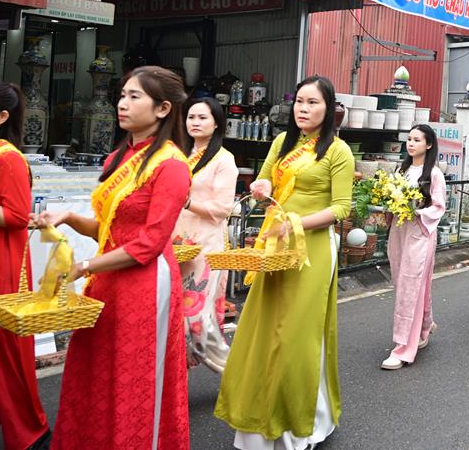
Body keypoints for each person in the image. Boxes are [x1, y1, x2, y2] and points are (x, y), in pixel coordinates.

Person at [37, 66, 192, 450]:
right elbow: (107, 230)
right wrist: (68, 217)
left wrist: (85, 266)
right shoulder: (118, 159)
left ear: (162, 109)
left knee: (135, 378)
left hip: (145, 287)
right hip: (106, 278)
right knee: (95, 372)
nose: (123, 103)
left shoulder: (172, 166)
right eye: (122, 95)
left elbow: (149, 244)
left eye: (134, 96)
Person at [215, 76, 353, 448]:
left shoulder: (338, 151)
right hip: (274, 246)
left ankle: (301, 425)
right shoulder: (282, 143)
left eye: (313, 103)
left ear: (329, 108)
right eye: (299, 102)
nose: (303, 109)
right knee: (263, 333)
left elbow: (342, 208)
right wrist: (260, 190)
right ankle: (258, 422)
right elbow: (263, 188)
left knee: (297, 337)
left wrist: (295, 223)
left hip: (313, 251)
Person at [0, 81, 50, 450]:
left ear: (2, 117)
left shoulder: (8, 158)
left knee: (0, 345)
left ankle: (30, 430)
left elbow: (18, 217)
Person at [174, 97, 237, 371]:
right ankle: (177, 381)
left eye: (202, 118)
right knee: (175, 314)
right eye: (191, 117)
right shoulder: (180, 155)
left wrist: (186, 202)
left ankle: (233, 373)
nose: (195, 122)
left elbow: (222, 208)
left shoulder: (224, 160)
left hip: (205, 244)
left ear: (217, 123)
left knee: (197, 316)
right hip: (176, 242)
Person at [382, 124, 446, 370]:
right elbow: (390, 200)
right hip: (399, 232)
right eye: (409, 139)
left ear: (428, 145)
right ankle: (424, 325)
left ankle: (402, 348)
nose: (411, 143)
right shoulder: (401, 170)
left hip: (420, 233)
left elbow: (438, 207)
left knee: (412, 285)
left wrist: (417, 212)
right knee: (403, 283)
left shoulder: (435, 174)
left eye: (417, 140)